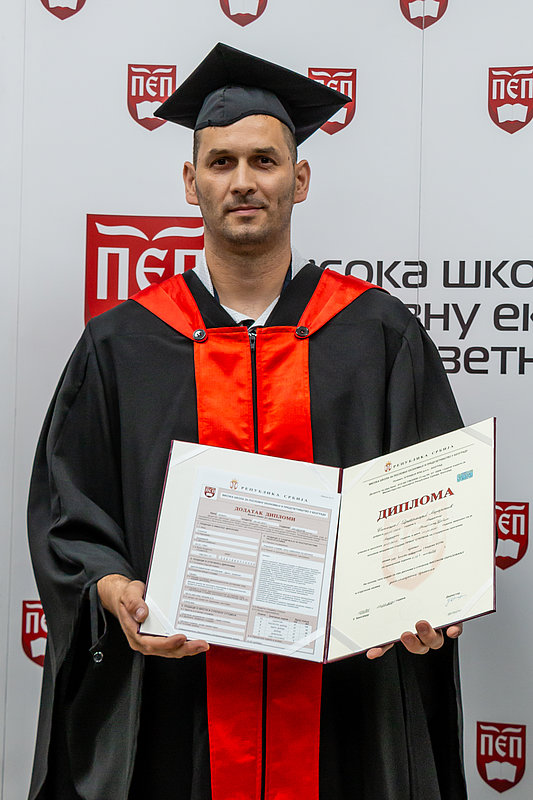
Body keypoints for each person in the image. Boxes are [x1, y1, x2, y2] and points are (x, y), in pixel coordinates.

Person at [28, 43, 467, 800]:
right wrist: (111, 589)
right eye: (221, 161)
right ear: (190, 181)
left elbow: (431, 506)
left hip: (340, 704)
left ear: (299, 179)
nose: (242, 181)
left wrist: (429, 599)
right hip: (178, 702)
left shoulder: (377, 335)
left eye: (264, 161)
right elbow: (71, 510)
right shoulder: (122, 345)